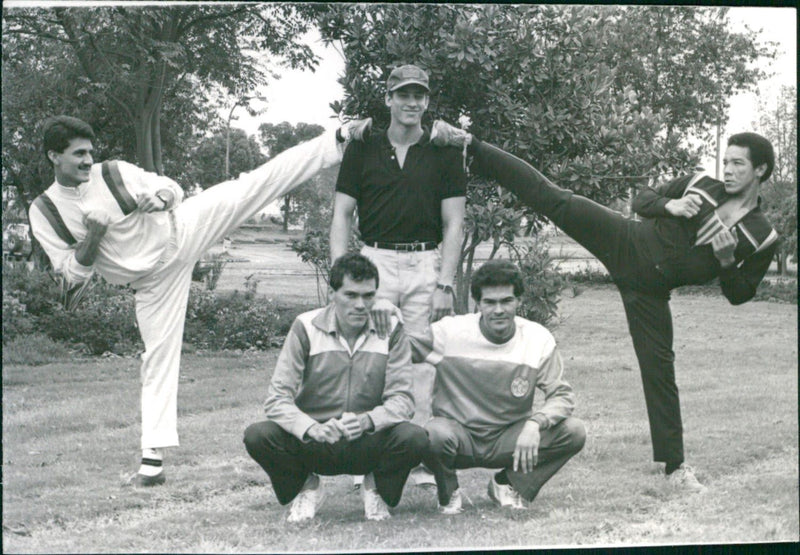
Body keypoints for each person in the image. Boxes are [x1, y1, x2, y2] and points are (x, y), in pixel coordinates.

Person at [430, 121, 780, 492]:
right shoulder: (699, 184)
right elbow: (641, 201)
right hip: (625, 238)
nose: (726, 170)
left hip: (650, 292)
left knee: (659, 371)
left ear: (760, 170)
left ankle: (675, 468)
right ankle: (471, 145)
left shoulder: (762, 236)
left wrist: (726, 261)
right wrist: (671, 204)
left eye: (738, 164)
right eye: (725, 161)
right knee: (555, 198)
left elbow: (740, 293)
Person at [29, 115, 371, 486]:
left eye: (90, 153)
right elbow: (71, 285)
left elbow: (171, 188)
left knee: (254, 185)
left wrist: (158, 197)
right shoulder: (44, 212)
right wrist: (93, 237)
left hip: (184, 229)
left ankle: (338, 136)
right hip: (151, 282)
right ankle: (152, 462)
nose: (87, 161)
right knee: (156, 358)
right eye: (78, 154)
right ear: (53, 156)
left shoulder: (113, 172)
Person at [330, 64, 467, 486]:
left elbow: (454, 224)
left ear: (426, 102)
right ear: (388, 98)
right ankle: (365, 452)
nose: (411, 103)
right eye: (403, 94)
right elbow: (341, 214)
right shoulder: (363, 146)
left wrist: (446, 282)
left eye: (419, 96)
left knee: (422, 359)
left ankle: (420, 454)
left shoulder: (444, 150)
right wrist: (343, 276)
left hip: (425, 264)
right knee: (369, 356)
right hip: (374, 263)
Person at [242, 253, 428, 522]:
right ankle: (307, 487)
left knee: (414, 437)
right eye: (350, 295)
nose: (360, 305)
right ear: (332, 294)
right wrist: (311, 428)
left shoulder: (391, 329)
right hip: (316, 440)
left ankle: (375, 488)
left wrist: (367, 421)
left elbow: (403, 400)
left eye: (368, 296)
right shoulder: (305, 326)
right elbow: (277, 399)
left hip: (367, 439)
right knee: (258, 435)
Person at [391, 259, 585, 513]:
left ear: (518, 301)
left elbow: (562, 395)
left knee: (574, 431)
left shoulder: (537, 338)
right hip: (458, 436)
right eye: (489, 302)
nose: (498, 310)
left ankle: (507, 484)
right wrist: (387, 315)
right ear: (478, 304)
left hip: (508, 438)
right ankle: (448, 492)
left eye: (506, 301)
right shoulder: (449, 333)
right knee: (432, 434)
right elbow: (400, 350)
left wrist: (535, 423)